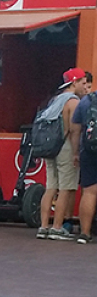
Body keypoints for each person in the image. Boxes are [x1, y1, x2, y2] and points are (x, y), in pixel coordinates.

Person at [38, 68, 90, 240]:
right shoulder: (73, 102)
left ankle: (44, 226)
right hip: (65, 147)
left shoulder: (54, 100)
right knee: (66, 188)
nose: (85, 87)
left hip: (49, 147)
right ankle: (57, 227)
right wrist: (76, 153)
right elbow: (75, 131)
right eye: (83, 82)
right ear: (74, 82)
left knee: (50, 187)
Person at [72, 78, 97, 244]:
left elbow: (75, 129)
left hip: (89, 149)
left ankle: (85, 233)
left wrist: (75, 153)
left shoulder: (86, 100)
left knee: (89, 192)